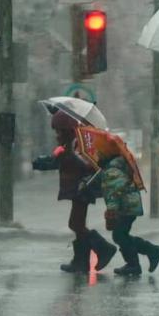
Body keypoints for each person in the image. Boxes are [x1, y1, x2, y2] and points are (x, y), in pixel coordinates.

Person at [32, 111, 116, 273]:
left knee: (75, 224)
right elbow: (58, 161)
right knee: (77, 224)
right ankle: (81, 262)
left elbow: (85, 165)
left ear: (67, 130)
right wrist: (46, 162)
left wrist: (67, 156)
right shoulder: (66, 146)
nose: (56, 134)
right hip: (78, 189)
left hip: (82, 189)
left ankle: (104, 249)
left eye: (58, 130)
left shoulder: (79, 144)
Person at [99, 156, 159, 276]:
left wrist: (111, 211)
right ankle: (152, 251)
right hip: (128, 205)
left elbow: (113, 193)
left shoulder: (111, 171)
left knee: (119, 235)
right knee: (121, 235)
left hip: (126, 207)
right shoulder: (113, 167)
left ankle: (134, 264)